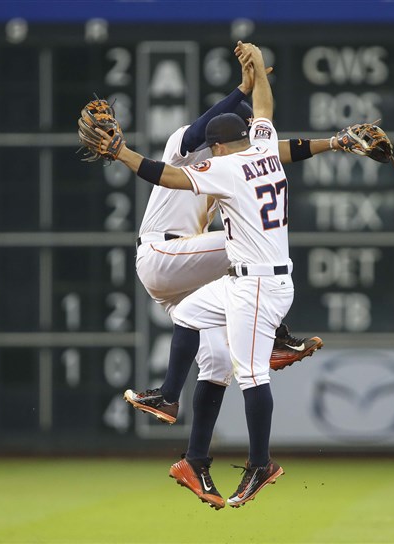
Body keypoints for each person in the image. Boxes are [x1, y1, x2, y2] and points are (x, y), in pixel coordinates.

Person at [97, 41, 297, 509]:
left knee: (234, 369)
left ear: (220, 145)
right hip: (202, 265)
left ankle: (228, 461)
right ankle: (181, 396)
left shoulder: (226, 166)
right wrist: (254, 78)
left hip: (244, 280)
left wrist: (123, 154)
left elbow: (169, 176)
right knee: (203, 296)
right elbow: (261, 110)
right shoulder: (259, 148)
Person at [123, 46, 349, 426]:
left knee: (218, 363)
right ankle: (276, 339)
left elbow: (276, 152)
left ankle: (189, 449)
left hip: (187, 271)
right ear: (222, 141)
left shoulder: (235, 164)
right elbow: (198, 131)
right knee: (248, 245)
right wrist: (242, 90)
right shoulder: (185, 147)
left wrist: (333, 143)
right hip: (162, 254)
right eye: (242, 137)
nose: (250, 146)